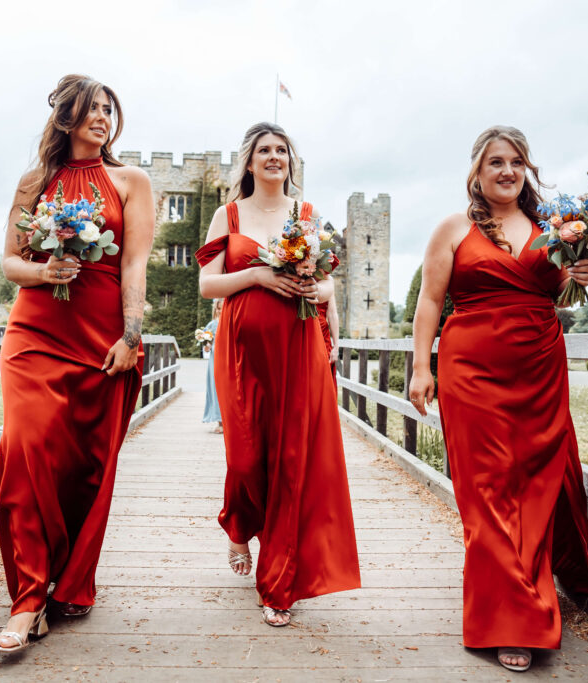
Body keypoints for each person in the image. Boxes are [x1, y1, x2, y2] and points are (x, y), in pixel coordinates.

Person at [408, 126, 588, 672]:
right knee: (487, 489)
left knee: (535, 486)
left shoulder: (555, 228)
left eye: (516, 162)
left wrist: (580, 275)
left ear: (528, 169)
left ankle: (521, 596)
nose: (507, 171)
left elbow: (563, 292)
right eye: (495, 162)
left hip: (539, 368)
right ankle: (513, 620)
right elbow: (430, 301)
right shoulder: (453, 228)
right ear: (476, 171)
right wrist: (419, 369)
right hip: (470, 371)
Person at [0, 74, 155, 652]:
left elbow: (133, 266)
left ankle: (67, 580)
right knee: (24, 452)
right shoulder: (35, 182)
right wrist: (43, 272)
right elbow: (11, 261)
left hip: (100, 336)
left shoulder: (131, 181)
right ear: (65, 117)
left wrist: (132, 335)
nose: (103, 118)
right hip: (34, 331)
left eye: (110, 109)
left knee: (83, 464)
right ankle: (28, 598)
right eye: (91, 109)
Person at [196, 122, 361, 627]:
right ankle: (238, 525)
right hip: (243, 350)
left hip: (299, 344)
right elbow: (207, 285)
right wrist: (258, 275)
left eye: (281, 151)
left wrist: (321, 291)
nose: (273, 157)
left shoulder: (307, 216)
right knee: (246, 458)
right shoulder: (228, 215)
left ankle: (279, 583)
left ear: (290, 162)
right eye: (264, 150)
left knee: (292, 461)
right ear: (248, 163)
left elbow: (331, 284)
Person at [202, 298, 223, 432]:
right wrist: (207, 346)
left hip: (228, 357)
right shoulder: (212, 325)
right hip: (215, 359)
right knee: (216, 387)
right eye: (218, 308)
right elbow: (206, 344)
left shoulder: (231, 322)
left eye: (222, 308)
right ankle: (219, 421)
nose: (220, 311)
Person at [315, 293, 340, 388]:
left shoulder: (327, 280)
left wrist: (336, 347)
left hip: (322, 336)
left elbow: (332, 314)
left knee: (323, 377)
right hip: (299, 331)